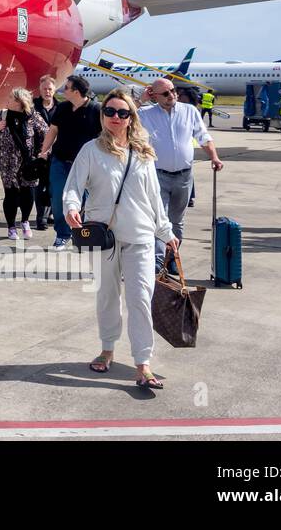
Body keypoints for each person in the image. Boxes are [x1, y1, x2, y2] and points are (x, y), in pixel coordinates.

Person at [63, 88, 179, 390]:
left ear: (131, 118)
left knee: (140, 298)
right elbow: (74, 185)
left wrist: (166, 232)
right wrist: (71, 207)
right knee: (107, 297)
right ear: (103, 116)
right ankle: (107, 348)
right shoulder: (91, 150)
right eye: (110, 112)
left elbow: (154, 197)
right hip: (105, 238)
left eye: (122, 112)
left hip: (140, 236)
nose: (115, 117)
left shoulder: (142, 153)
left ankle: (143, 363)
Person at [138, 77, 224, 270]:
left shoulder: (190, 111)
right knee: (158, 219)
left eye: (173, 91)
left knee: (177, 221)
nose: (172, 96)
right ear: (154, 95)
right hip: (157, 175)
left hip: (184, 176)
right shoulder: (145, 113)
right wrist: (142, 99)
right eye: (166, 93)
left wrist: (214, 157)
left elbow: (203, 137)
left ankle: (172, 258)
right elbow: (125, 114)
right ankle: (158, 262)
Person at [39, 74, 102, 249]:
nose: (62, 90)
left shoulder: (96, 110)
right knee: (59, 200)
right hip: (60, 162)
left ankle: (83, 235)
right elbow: (52, 131)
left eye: (66, 88)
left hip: (87, 166)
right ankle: (62, 234)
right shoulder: (63, 108)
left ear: (76, 91)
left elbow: (105, 137)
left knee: (85, 203)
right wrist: (43, 151)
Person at [0, 87, 49, 239]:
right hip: (6, 162)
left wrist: (43, 152)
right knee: (11, 195)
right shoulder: (1, 115)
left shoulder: (33, 117)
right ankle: (11, 227)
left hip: (29, 163)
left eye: (11, 98)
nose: (7, 100)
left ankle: (25, 222)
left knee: (27, 194)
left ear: (20, 102)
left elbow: (46, 133)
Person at [31, 76, 59, 230]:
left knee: (51, 187)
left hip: (55, 154)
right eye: (44, 89)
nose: (47, 92)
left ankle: (48, 214)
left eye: (50, 89)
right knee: (39, 186)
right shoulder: (32, 107)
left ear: (54, 90)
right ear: (40, 90)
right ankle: (40, 218)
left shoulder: (61, 107)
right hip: (37, 154)